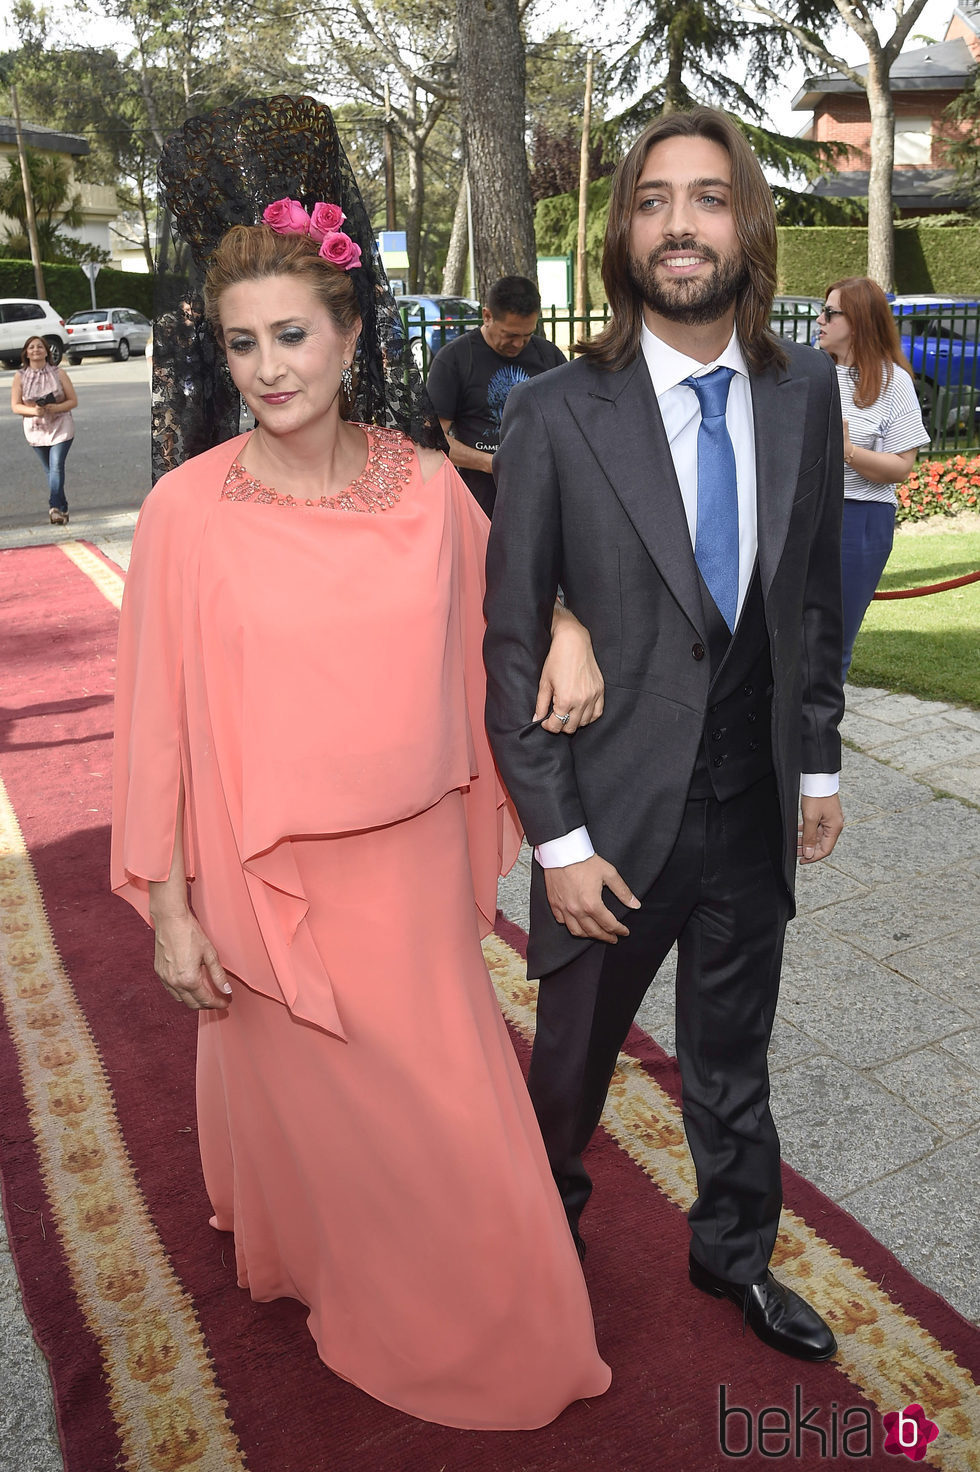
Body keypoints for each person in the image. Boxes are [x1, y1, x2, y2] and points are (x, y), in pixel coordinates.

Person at [111, 95, 610, 1431]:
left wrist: (563, 623)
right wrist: (168, 904)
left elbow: (509, 593)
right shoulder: (182, 513)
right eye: (241, 345)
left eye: (292, 336)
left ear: (347, 336)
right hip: (260, 885)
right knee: (320, 1123)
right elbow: (153, 718)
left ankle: (500, 1323)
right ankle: (325, 1266)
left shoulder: (424, 487)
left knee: (451, 1118)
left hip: (407, 876)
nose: (268, 368)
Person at [484, 107, 846, 1364]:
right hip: (610, 825)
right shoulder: (551, 412)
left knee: (731, 1065)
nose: (677, 224)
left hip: (749, 810)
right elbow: (513, 646)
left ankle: (733, 1254)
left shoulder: (799, 398)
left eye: (703, 198)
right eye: (650, 201)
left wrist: (816, 761)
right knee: (566, 1080)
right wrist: (559, 842)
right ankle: (541, 1260)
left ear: (745, 224)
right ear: (620, 233)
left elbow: (804, 605)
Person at [816, 277, 929, 681]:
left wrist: (847, 450)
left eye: (831, 313)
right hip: (802, 512)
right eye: (822, 309)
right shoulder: (810, 372)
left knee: (833, 643)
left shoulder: (892, 381)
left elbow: (901, 467)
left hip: (859, 519)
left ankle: (816, 738)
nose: (820, 319)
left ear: (860, 320)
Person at [426, 275, 566, 515]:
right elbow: (433, 437)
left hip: (542, 499)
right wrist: (491, 463)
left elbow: (569, 424)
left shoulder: (548, 356)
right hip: (480, 503)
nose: (519, 343)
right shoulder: (454, 360)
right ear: (487, 316)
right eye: (510, 334)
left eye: (527, 335)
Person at [10, 335, 77, 525]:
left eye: (40, 347)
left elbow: (73, 400)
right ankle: (63, 507)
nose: (36, 350)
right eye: (31, 347)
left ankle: (54, 507)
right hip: (35, 429)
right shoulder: (20, 376)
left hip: (61, 426)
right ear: (26, 352)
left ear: (47, 351)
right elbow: (15, 406)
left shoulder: (59, 373)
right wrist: (34, 411)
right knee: (50, 471)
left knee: (56, 466)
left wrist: (55, 408)